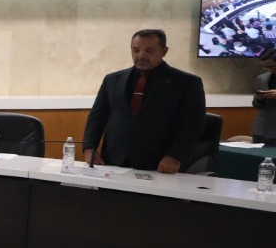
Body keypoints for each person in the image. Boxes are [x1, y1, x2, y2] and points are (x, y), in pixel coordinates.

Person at [82, 29, 206, 173]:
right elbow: (97, 117)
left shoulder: (187, 83)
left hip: (159, 164)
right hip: (114, 161)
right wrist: (89, 147)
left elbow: (192, 125)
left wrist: (175, 156)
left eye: (149, 51)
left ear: (164, 51)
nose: (141, 55)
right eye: (135, 50)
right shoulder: (112, 80)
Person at [253, 46, 276, 145]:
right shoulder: (261, 78)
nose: (268, 69)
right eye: (265, 67)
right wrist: (259, 99)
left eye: (271, 66)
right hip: (262, 129)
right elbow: (256, 104)